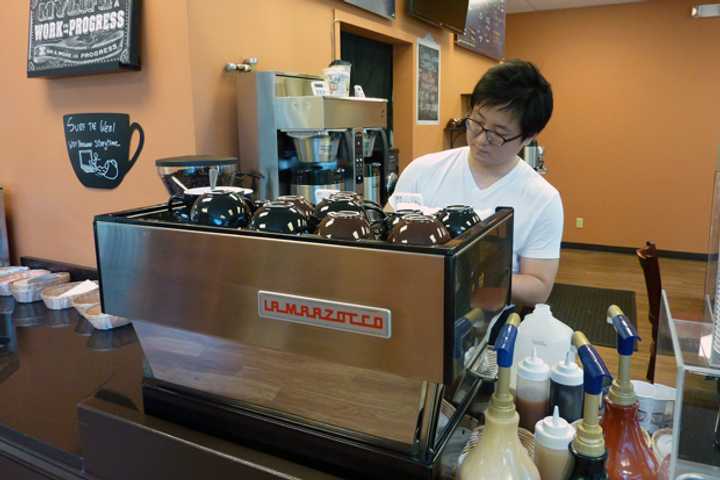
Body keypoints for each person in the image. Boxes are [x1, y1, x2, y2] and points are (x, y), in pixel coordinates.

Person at [388, 59, 562, 306]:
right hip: (407, 306)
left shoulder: (542, 198)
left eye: (498, 133)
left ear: (528, 137)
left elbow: (538, 287)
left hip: (483, 328)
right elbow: (382, 235)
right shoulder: (422, 170)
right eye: (477, 123)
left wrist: (463, 277)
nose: (481, 139)